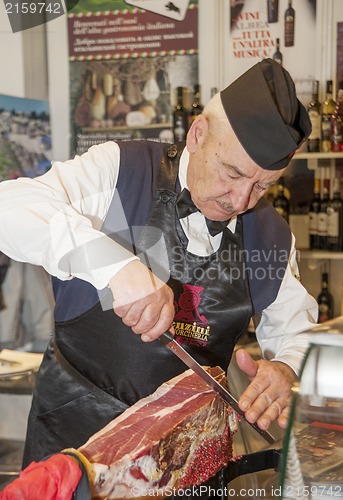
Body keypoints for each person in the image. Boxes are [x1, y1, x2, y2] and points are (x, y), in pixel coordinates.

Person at [0, 59, 317, 481]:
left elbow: (295, 330)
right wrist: (113, 266)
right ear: (198, 134)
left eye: (263, 185)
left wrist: (284, 368)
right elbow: (10, 207)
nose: (241, 200)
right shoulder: (120, 169)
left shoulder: (272, 235)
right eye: (233, 173)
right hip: (75, 450)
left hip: (189, 459)